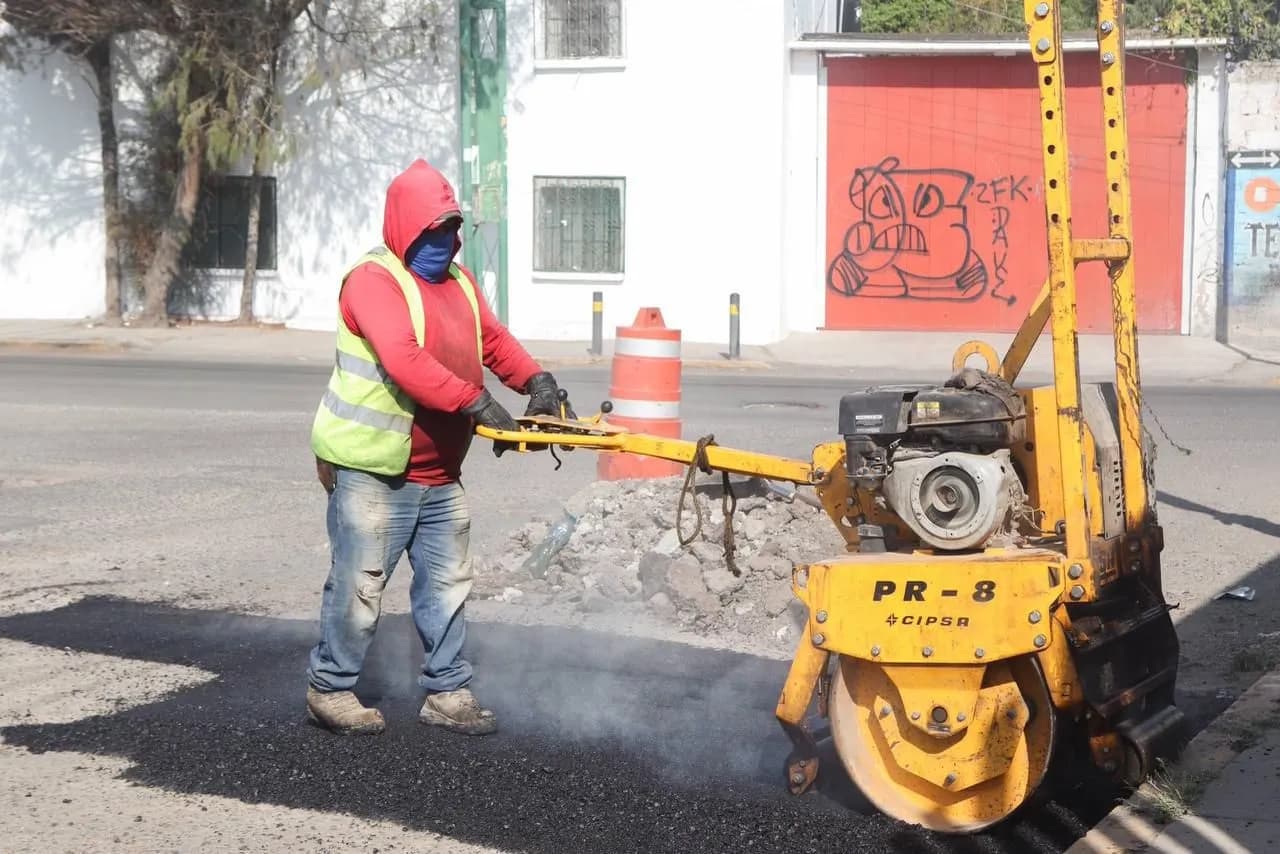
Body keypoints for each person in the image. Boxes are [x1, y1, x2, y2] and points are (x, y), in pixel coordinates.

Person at [304, 158, 575, 736]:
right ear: (405, 228)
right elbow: (404, 360)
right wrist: (474, 403)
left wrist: (537, 382)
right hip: (374, 470)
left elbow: (494, 342)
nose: (447, 242)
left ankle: (447, 690)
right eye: (434, 231)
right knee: (360, 583)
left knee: (449, 584)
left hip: (440, 472)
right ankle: (330, 687)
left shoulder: (460, 283)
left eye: (453, 229)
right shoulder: (373, 282)